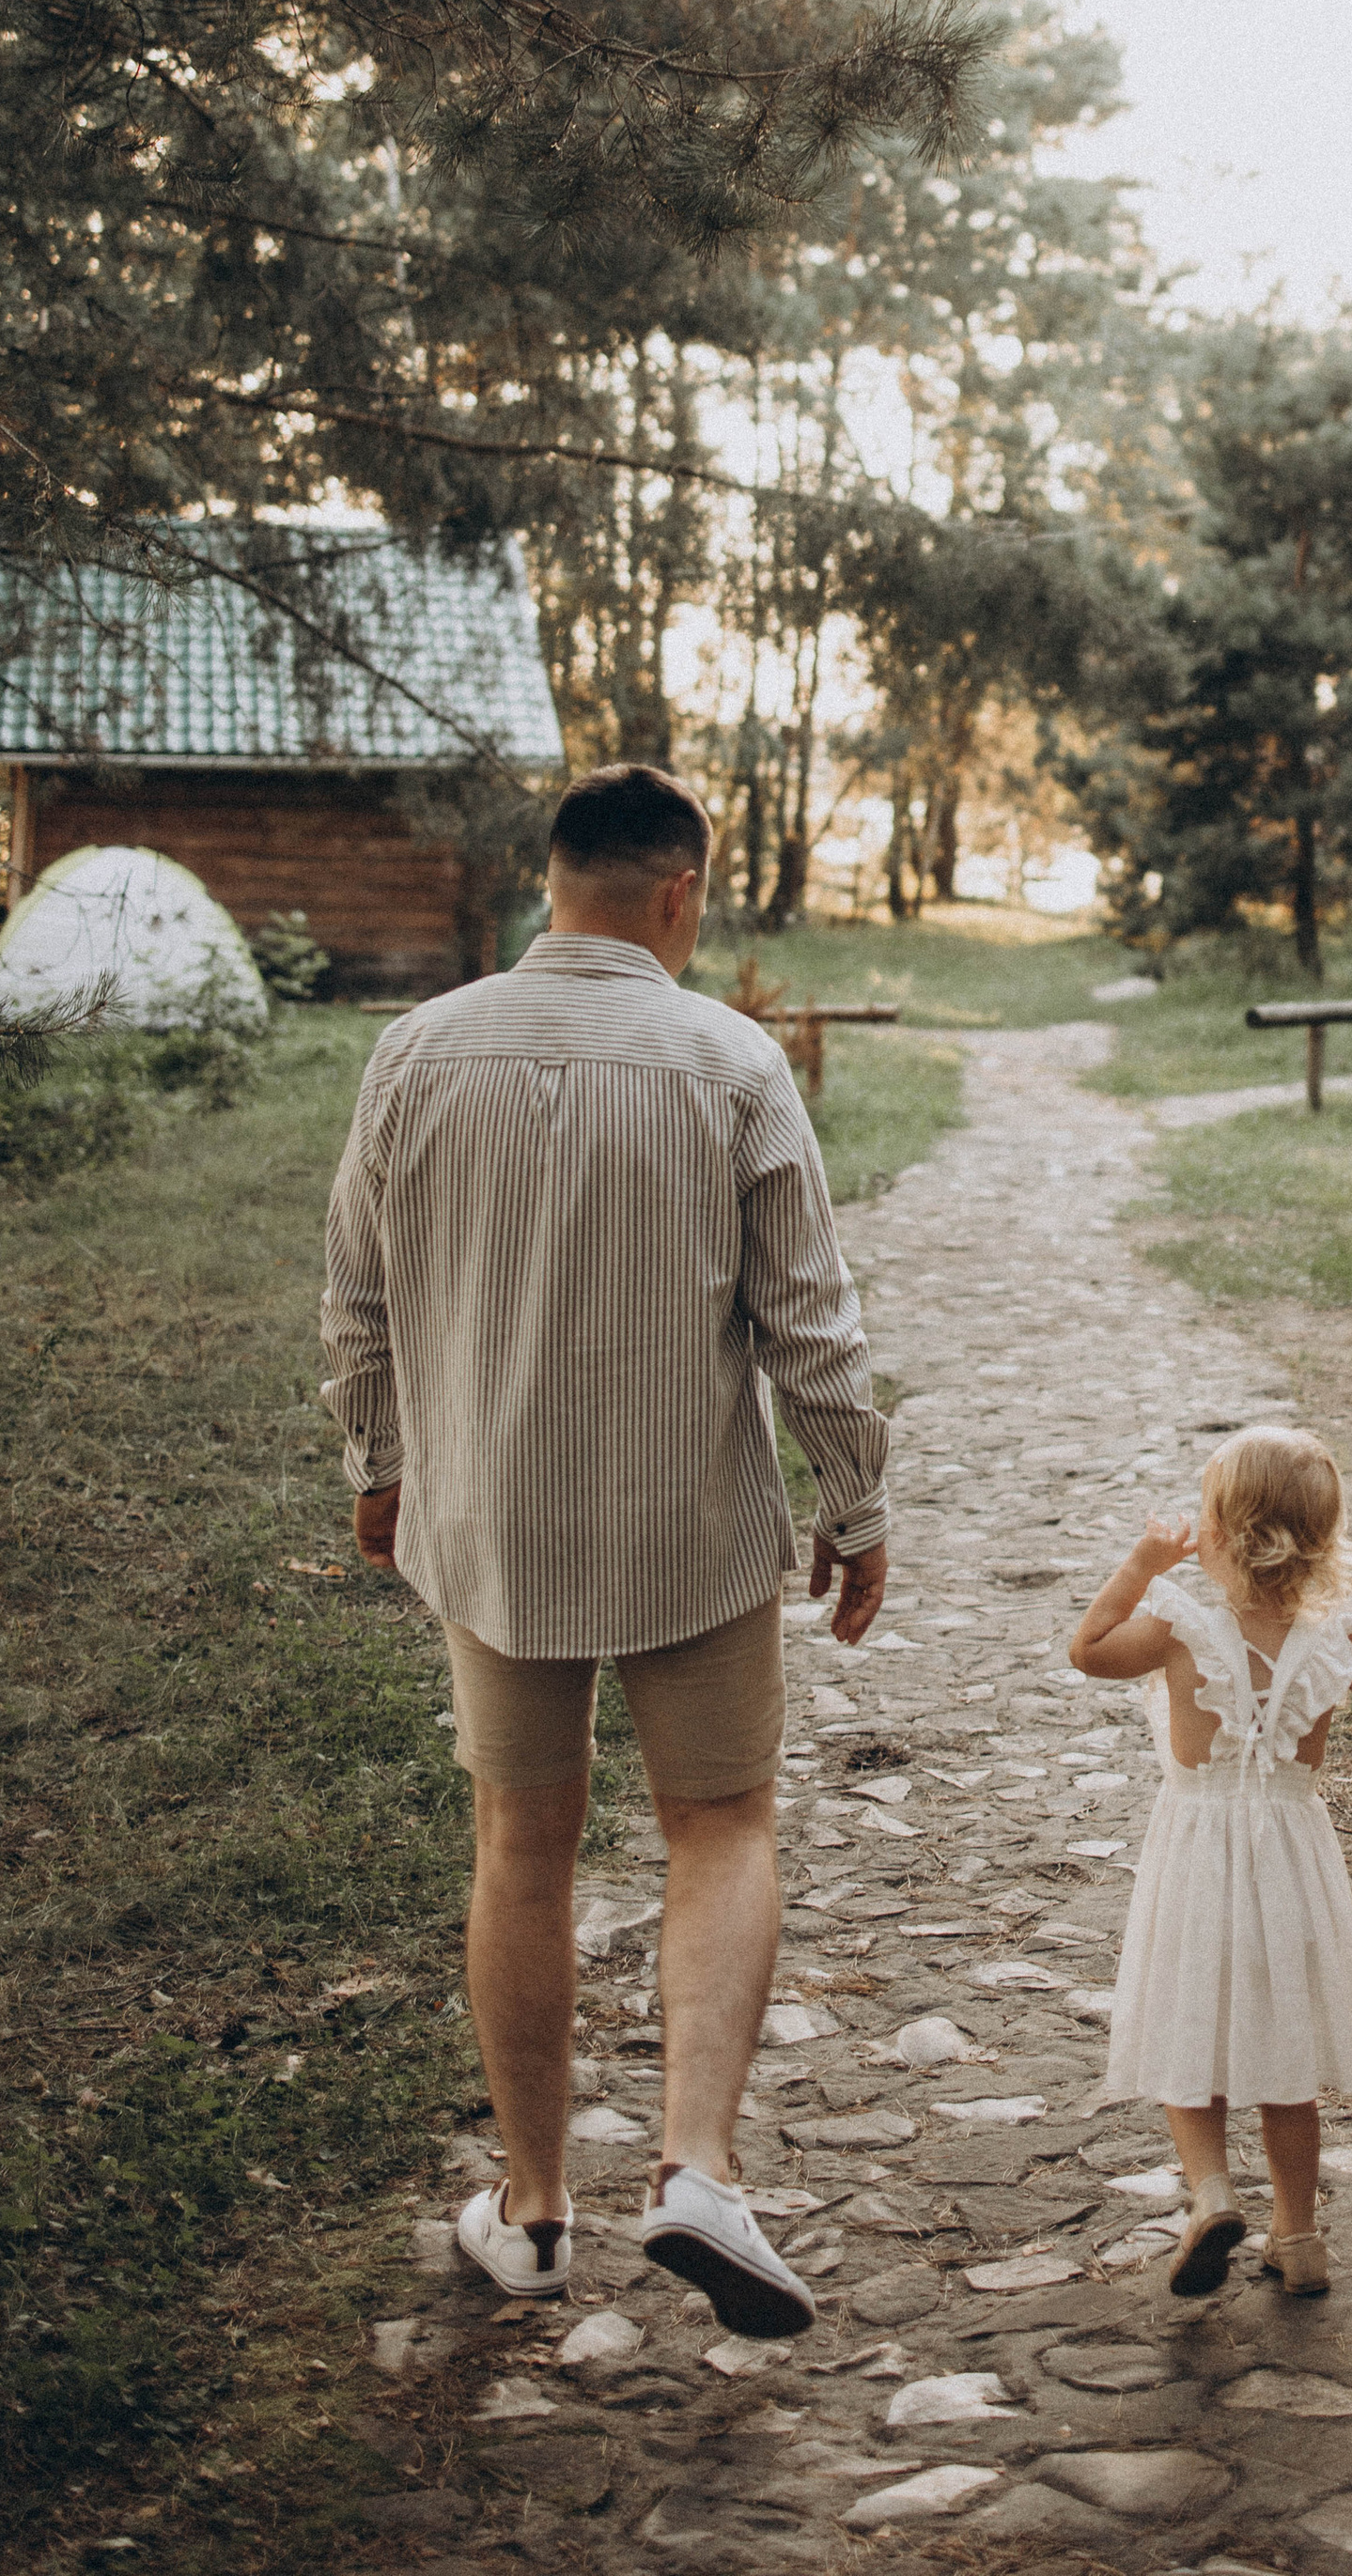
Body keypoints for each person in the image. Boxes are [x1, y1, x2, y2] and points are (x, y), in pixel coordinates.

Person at [320, 761, 891, 2338]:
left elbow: (355, 1293)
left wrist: (376, 1461)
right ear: (680, 896)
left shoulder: (415, 1055)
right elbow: (812, 1322)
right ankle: (699, 2166)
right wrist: (858, 1498)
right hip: (688, 1524)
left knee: (524, 1841)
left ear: (551, 882)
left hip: (490, 1519)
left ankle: (534, 2209)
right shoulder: (729, 1060)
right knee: (720, 1820)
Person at [1070, 1424, 1352, 2298]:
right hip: (1291, 1863)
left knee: (1191, 2028)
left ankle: (1212, 2193)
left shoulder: (1179, 1623)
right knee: (1285, 2056)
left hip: (1196, 1851)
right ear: (1324, 1537)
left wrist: (1143, 1565)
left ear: (1219, 1532)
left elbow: (1088, 1652)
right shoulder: (1335, 1633)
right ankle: (1298, 2237)